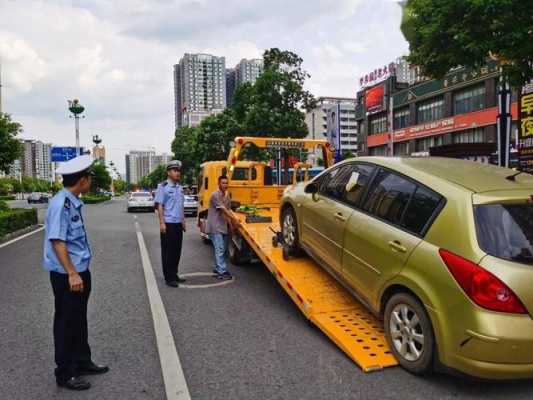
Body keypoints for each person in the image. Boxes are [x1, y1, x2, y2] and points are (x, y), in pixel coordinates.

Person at [43, 155, 109, 391]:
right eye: (89, 176)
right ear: (82, 180)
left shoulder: (71, 201)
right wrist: (72, 273)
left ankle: (82, 361)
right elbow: (58, 242)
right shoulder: (61, 204)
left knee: (79, 319)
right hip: (67, 275)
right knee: (66, 322)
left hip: (79, 271)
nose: (90, 179)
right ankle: (65, 373)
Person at [154, 160, 186, 287]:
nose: (177, 173)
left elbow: (181, 205)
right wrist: (162, 223)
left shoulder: (180, 188)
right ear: (168, 172)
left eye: (178, 170)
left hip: (178, 223)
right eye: (174, 170)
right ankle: (169, 277)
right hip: (168, 223)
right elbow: (160, 205)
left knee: (177, 251)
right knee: (168, 252)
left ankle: (174, 274)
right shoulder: (163, 187)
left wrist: (183, 221)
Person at [206, 176, 233, 280]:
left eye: (226, 183)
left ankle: (217, 268)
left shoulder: (226, 196)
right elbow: (223, 210)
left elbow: (229, 210)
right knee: (220, 249)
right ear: (218, 183)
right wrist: (235, 220)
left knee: (221, 249)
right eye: (223, 183)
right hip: (215, 226)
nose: (225, 185)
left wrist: (231, 225)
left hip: (223, 226)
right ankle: (222, 271)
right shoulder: (215, 195)